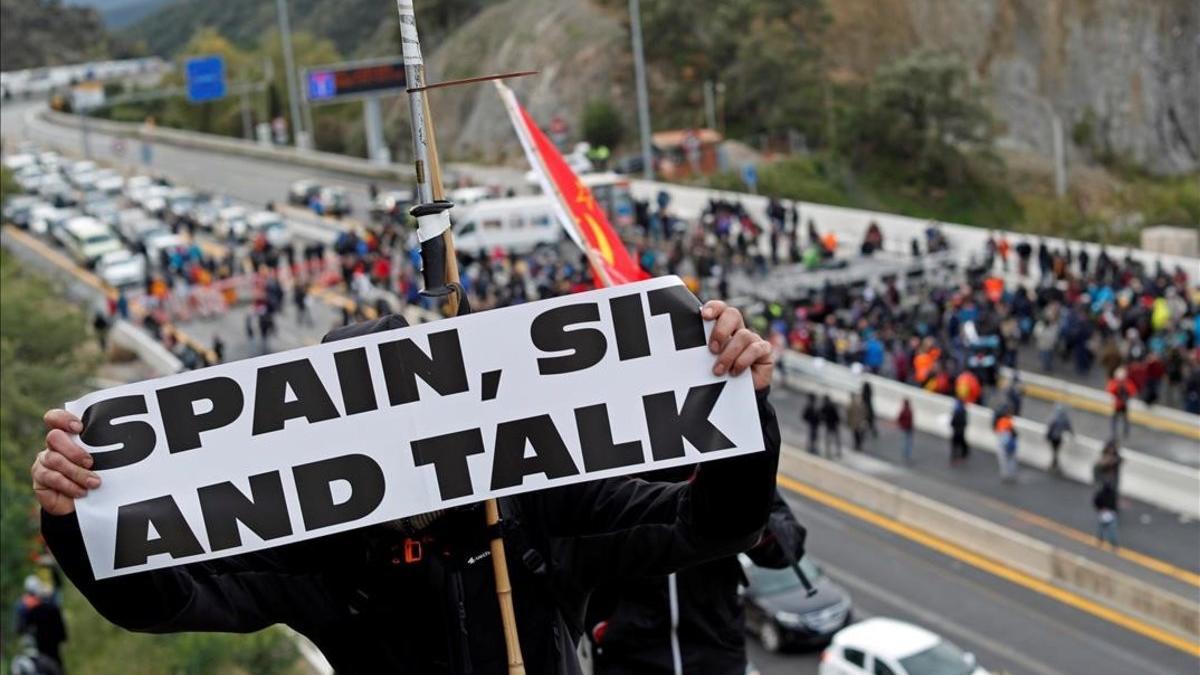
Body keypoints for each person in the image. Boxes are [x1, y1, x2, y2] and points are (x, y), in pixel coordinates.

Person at [32, 301, 781, 675]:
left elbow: (712, 523)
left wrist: (740, 406)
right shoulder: (314, 549)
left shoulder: (538, 505)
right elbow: (163, 599)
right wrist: (75, 518)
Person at [588, 489, 805, 675]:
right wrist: (599, 623)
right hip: (627, 653)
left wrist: (744, 506)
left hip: (716, 649)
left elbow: (789, 546)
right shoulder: (612, 461)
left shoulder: (719, 454)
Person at [13, 575, 66, 671]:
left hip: (37, 640)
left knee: (42, 664)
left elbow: (20, 627)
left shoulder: (23, 605)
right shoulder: (47, 605)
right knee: (54, 663)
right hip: (48, 639)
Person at [1106, 368, 1137, 439]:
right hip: (1123, 404)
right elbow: (1133, 391)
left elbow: (1109, 390)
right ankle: (1125, 432)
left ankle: (1115, 434)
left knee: (1115, 420)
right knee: (1124, 419)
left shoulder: (1115, 382)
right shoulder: (1127, 383)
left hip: (1118, 405)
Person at [1044, 404, 1073, 474]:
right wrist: (1072, 434)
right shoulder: (1064, 418)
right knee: (1056, 451)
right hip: (1058, 437)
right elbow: (1068, 427)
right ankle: (1055, 464)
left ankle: (1054, 464)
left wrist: (1047, 435)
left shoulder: (1054, 417)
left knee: (1055, 451)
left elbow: (1050, 427)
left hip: (1053, 437)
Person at [994, 407, 1018, 482]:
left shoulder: (1001, 422)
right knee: (1011, 460)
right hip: (1010, 444)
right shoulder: (1009, 422)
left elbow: (1000, 434)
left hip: (1004, 444)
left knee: (1004, 460)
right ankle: (1011, 474)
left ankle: (1005, 475)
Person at [949, 399, 968, 465]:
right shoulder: (961, 410)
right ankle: (958, 455)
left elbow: (954, 420)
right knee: (959, 443)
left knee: (957, 443)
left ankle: (957, 455)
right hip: (959, 429)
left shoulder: (959, 411)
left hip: (958, 430)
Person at [897, 399, 914, 463]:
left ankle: (906, 454)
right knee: (907, 442)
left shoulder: (906, 411)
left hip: (907, 428)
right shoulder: (907, 411)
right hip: (906, 428)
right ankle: (906, 455)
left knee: (907, 442)